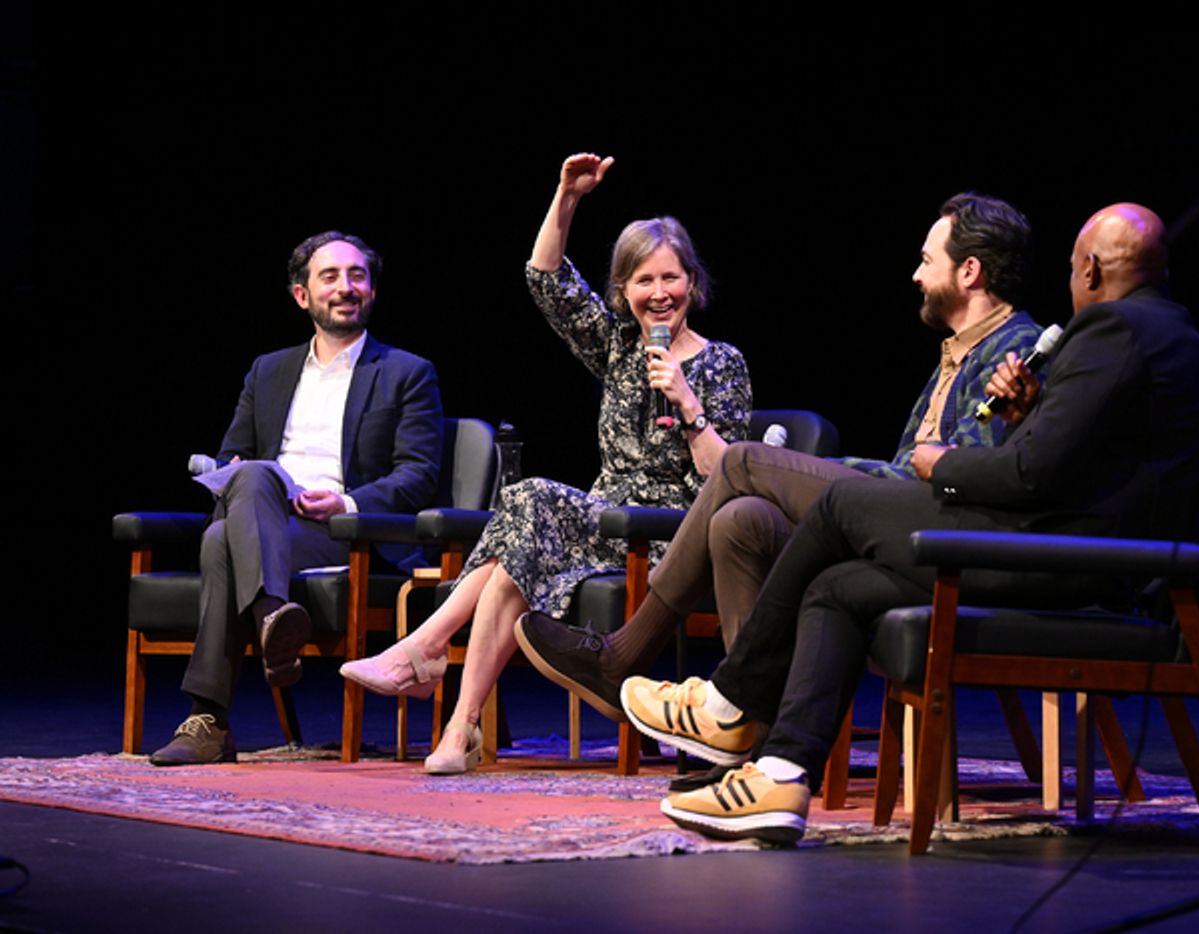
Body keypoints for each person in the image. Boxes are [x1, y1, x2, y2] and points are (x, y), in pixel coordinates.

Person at [621, 203, 1199, 843]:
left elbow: (1028, 477)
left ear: (1091, 267)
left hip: (1076, 570)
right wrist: (1027, 419)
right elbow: (1082, 465)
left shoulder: (1111, 328)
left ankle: (730, 703)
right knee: (841, 586)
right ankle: (780, 772)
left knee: (837, 507)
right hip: (1082, 557)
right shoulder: (1173, 335)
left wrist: (944, 464)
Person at [514, 193, 1044, 778]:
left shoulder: (1011, 352)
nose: (917, 274)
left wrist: (854, 471)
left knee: (742, 462)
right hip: (894, 522)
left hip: (934, 537)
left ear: (969, 271)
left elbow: (955, 475)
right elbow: (918, 461)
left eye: (928, 260)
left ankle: (623, 653)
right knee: (738, 521)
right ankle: (746, 736)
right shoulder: (956, 352)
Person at [340, 153, 752, 774]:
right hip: (604, 520)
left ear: (692, 283)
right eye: (643, 281)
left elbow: (728, 479)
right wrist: (566, 197)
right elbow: (545, 277)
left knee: (528, 505)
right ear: (624, 292)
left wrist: (688, 404)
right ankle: (458, 728)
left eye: (670, 279)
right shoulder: (616, 343)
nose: (658, 293)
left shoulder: (723, 363)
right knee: (517, 552)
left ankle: (428, 652)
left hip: (674, 534)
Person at [150, 231, 444, 766]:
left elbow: (418, 476)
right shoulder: (268, 370)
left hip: (345, 535)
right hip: (266, 516)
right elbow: (231, 456)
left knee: (221, 540)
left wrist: (347, 504)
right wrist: (240, 472)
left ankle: (208, 719)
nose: (345, 287)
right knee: (246, 492)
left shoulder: (407, 373)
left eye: (357, 276)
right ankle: (271, 616)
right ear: (302, 295)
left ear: (372, 291)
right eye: (329, 277)